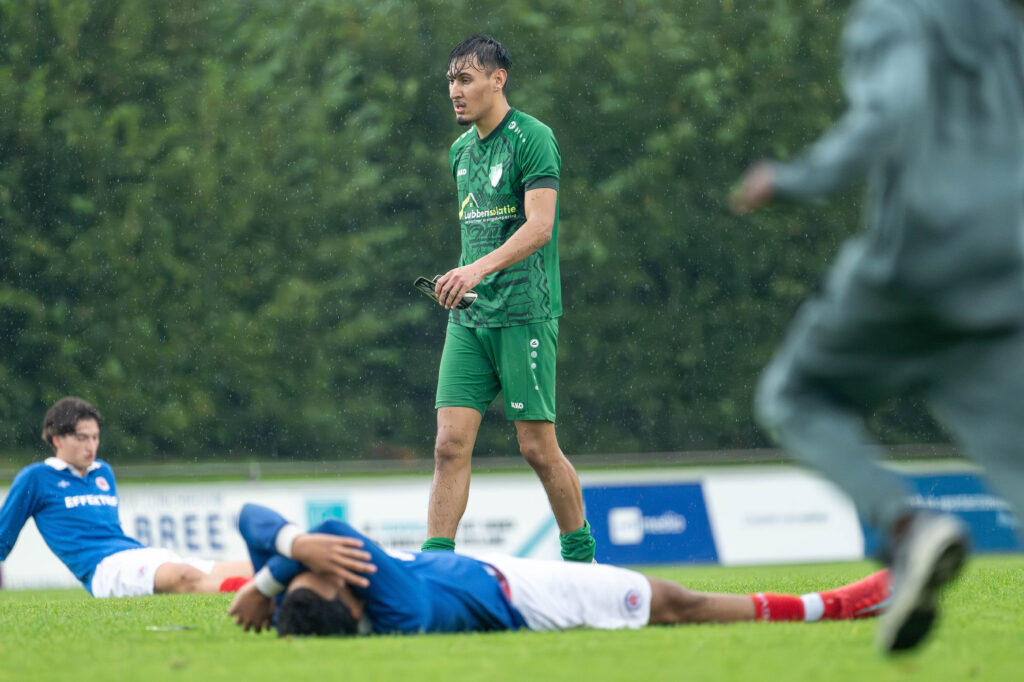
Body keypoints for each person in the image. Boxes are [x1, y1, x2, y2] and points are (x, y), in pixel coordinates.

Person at [730, 0, 1024, 653]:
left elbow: (893, 109)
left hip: (917, 263)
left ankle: (906, 528)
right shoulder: (1002, 25)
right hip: (1003, 271)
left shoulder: (895, 13)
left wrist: (794, 179)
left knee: (795, 396)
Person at [421, 34, 595, 562]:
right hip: (469, 320)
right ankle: (437, 565)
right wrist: (460, 280)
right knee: (448, 445)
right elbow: (479, 234)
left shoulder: (533, 137)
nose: (455, 91)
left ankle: (582, 560)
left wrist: (474, 270)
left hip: (525, 315)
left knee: (536, 447)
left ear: (498, 80)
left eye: (465, 79)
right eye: (450, 80)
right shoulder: (460, 151)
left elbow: (540, 227)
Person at [228, 503, 892, 636]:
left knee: (670, 600)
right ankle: (833, 606)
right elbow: (329, 532)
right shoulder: (399, 608)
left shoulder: (304, 602)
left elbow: (248, 515)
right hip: (529, 597)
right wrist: (287, 561)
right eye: (334, 573)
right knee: (671, 602)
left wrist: (272, 581)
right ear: (353, 605)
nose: (332, 564)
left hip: (480, 569)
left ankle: (832, 604)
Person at [0, 396, 252, 597]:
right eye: (82, 438)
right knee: (184, 576)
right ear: (57, 439)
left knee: (247, 567)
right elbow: (3, 535)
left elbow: (109, 532)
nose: (91, 446)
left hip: (137, 554)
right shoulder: (36, 478)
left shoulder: (103, 472)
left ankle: (270, 583)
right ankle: (257, 596)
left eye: (95, 437)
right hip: (105, 570)